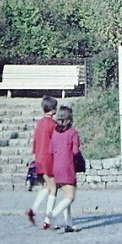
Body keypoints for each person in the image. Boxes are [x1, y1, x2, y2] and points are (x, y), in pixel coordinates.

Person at [45, 104, 81, 232]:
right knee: (70, 197)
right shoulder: (73, 132)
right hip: (68, 166)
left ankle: (69, 223)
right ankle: (53, 214)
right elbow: (75, 151)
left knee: (65, 196)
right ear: (70, 118)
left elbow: (50, 150)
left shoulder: (54, 133)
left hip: (56, 167)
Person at [25, 95, 58, 225]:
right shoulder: (53, 124)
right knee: (54, 188)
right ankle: (48, 219)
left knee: (47, 186)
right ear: (53, 109)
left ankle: (33, 209)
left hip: (39, 157)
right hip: (49, 158)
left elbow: (35, 141)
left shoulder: (39, 123)